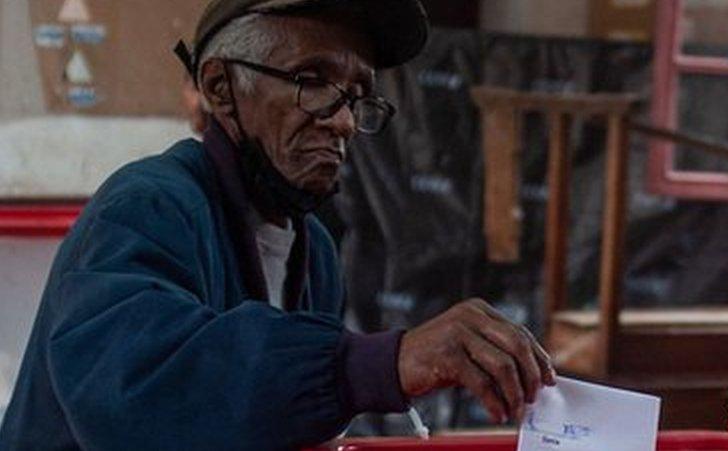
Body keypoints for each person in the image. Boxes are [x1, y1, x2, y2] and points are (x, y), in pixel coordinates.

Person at [0, 0, 555, 449]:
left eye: (357, 96)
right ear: (220, 89)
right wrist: (379, 362)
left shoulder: (312, 248)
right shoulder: (148, 205)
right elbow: (134, 391)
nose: (340, 119)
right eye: (311, 80)